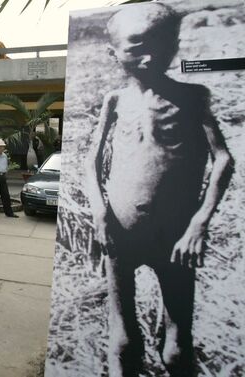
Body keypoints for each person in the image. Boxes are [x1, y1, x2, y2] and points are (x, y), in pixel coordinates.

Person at [85, 4, 234, 377]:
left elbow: (223, 160)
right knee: (122, 336)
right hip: (120, 234)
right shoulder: (115, 101)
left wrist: (199, 223)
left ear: (175, 46)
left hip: (176, 237)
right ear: (113, 52)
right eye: (136, 47)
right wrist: (99, 211)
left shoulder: (193, 97)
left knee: (177, 343)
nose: (149, 56)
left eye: (160, 44)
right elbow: (90, 162)